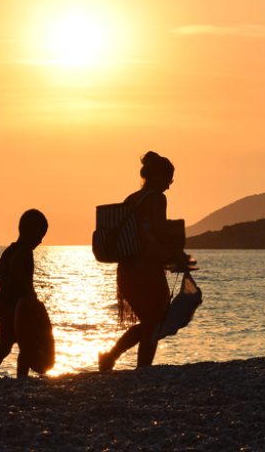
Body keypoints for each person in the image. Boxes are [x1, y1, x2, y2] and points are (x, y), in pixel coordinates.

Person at [99, 151, 193, 371]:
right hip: (145, 270)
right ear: (158, 176)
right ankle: (142, 370)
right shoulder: (157, 198)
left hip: (126, 270)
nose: (169, 185)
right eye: (168, 179)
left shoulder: (132, 199)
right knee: (154, 321)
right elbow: (156, 233)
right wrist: (176, 256)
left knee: (150, 321)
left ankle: (111, 358)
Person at [0, 208, 48, 378]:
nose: (40, 241)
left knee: (3, 348)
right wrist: (29, 291)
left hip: (2, 305)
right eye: (40, 235)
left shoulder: (9, 251)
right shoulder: (25, 252)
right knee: (25, 346)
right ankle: (21, 379)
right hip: (14, 308)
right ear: (30, 232)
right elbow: (16, 266)